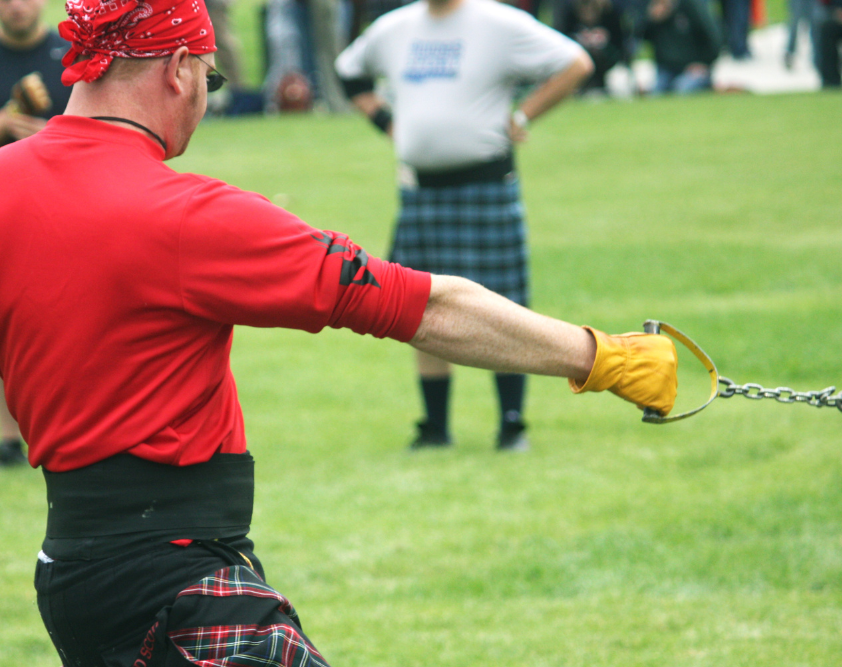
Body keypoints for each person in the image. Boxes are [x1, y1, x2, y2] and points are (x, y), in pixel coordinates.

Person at [0, 0, 677, 663]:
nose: (205, 100)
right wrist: (604, 357)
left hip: (71, 571)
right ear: (177, 67)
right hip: (170, 576)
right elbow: (425, 307)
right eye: (211, 78)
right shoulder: (184, 216)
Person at [335, 0, 594, 452]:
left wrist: (523, 115)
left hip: (486, 185)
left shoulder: (498, 22)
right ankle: (435, 427)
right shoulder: (394, 28)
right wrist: (386, 121)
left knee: (506, 307)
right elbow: (349, 71)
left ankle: (511, 424)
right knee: (420, 307)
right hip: (421, 191)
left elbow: (575, 63)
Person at [0, 0, 71, 465]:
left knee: (57, 318)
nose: (18, 6)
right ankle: (6, 436)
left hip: (61, 203)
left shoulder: (73, 56)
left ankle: (58, 429)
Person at [0, 0, 71, 146]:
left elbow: (96, 129)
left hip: (58, 165)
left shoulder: (74, 55)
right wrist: (5, 123)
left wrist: (54, 137)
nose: (16, 5)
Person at [643, 0, 723, 94]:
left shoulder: (693, 6)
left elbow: (715, 38)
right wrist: (652, 19)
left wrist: (704, 63)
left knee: (682, 89)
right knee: (656, 93)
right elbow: (643, 37)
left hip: (692, 68)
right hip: (666, 69)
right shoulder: (656, 9)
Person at [556, 0, 626, 94]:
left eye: (591, 9)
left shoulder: (611, 17)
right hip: (576, 67)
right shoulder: (569, 18)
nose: (588, 13)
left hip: (607, 67)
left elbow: (620, 47)